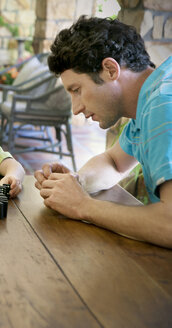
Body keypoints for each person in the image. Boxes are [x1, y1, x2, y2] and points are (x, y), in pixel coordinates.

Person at [33, 16, 172, 248]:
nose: (75, 108)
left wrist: (82, 206)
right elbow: (114, 162)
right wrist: (76, 182)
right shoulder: (149, 102)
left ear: (110, 69)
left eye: (77, 90)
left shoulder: (163, 106)